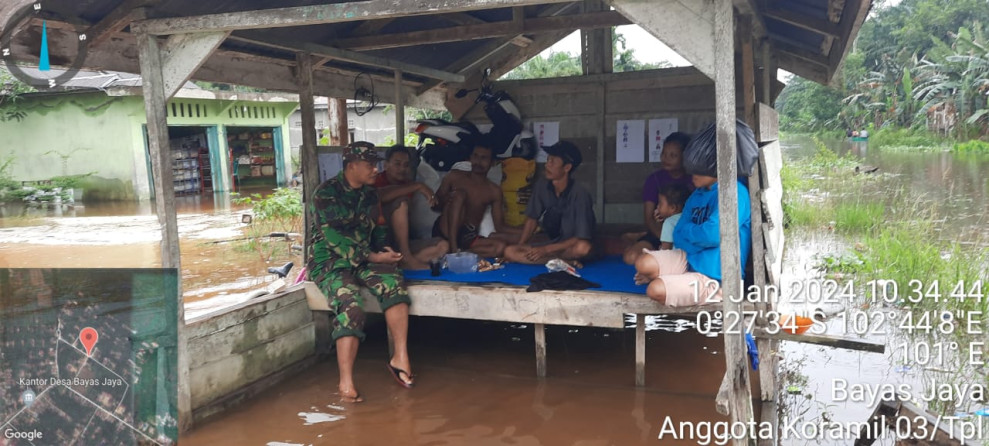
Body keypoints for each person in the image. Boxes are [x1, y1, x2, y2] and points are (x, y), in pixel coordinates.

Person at [307, 141, 415, 403]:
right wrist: (373, 256)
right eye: (370, 164)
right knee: (351, 306)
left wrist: (386, 251)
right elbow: (334, 239)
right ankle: (345, 382)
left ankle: (400, 357)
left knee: (393, 284)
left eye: (376, 164)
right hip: (330, 262)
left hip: (365, 258)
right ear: (352, 166)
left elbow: (378, 227)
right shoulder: (325, 194)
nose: (376, 169)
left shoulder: (370, 194)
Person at [633, 160, 751, 306]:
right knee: (643, 263)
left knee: (654, 289)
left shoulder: (734, 192)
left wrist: (693, 234)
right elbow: (678, 233)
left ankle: (683, 282)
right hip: (689, 258)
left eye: (699, 169)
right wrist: (701, 239)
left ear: (716, 168)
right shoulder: (697, 193)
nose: (693, 174)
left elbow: (713, 235)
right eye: (692, 169)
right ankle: (676, 278)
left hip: (715, 276)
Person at [503, 140, 595, 265]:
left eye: (553, 162)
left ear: (567, 168)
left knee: (583, 248)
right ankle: (565, 262)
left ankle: (559, 259)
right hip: (553, 244)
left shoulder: (580, 194)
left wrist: (546, 250)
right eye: (548, 160)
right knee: (510, 251)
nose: (547, 165)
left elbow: (580, 237)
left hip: (570, 246)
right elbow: (532, 219)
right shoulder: (542, 185)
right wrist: (521, 244)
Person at [432, 144, 517, 257]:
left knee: (499, 247)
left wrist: (528, 230)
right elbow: (434, 206)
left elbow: (500, 226)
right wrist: (448, 198)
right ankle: (453, 250)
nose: (478, 161)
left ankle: (461, 253)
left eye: (484, 158)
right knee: (460, 195)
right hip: (445, 231)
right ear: (470, 158)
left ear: (492, 163)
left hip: (467, 236)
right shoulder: (454, 176)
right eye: (475, 156)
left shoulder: (494, 191)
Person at [622, 132, 694, 264]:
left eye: (673, 155)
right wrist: (664, 239)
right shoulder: (654, 179)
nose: (666, 158)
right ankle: (641, 238)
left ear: (685, 157)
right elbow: (649, 218)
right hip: (658, 231)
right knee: (631, 257)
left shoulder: (694, 180)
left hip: (686, 234)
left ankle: (639, 237)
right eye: (664, 154)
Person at [375, 145, 448, 269]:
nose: (402, 169)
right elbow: (381, 196)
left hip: (402, 243)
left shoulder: (408, 184)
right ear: (386, 165)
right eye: (397, 164)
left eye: (406, 165)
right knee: (401, 203)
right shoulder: (376, 180)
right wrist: (419, 186)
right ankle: (406, 258)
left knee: (443, 246)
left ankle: (400, 262)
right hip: (380, 243)